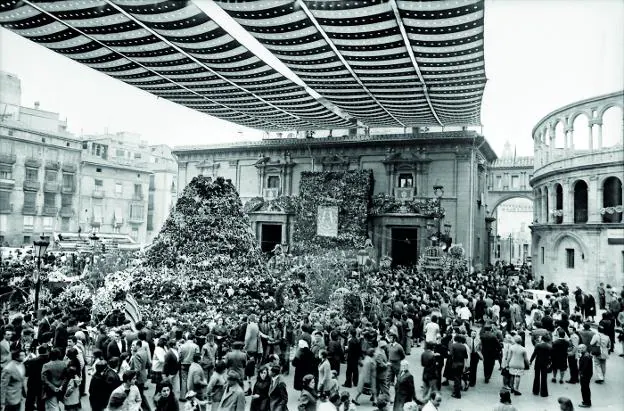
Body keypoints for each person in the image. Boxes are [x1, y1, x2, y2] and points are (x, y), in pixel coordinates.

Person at [449, 334, 468, 399]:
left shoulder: (453, 345)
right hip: (461, 364)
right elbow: (466, 357)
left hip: (455, 364)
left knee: (456, 378)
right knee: (459, 377)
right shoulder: (464, 346)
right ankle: (457, 390)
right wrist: (465, 366)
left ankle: (457, 394)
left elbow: (451, 354)